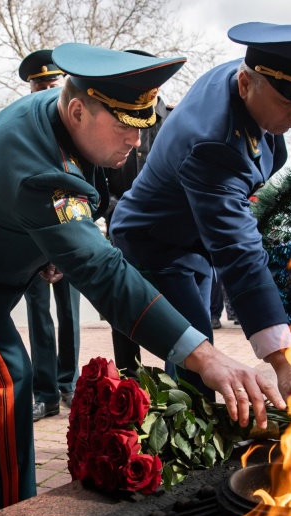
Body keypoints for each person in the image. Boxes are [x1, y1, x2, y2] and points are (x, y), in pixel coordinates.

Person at [0, 43, 290, 513]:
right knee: (8, 376)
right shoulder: (41, 170)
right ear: (79, 109)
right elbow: (104, 272)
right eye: (125, 125)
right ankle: (12, 511)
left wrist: (49, 242)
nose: (137, 140)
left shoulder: (61, 109)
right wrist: (204, 358)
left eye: (142, 125)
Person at [110, 22, 291, 401]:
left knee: (192, 343)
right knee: (198, 352)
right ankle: (190, 441)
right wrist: (283, 361)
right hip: (154, 241)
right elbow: (237, 250)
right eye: (287, 103)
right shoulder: (212, 144)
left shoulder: (257, 71)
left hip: (194, 239)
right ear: (246, 84)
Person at [18, 49, 82, 421]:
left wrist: (64, 246)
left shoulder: (78, 129)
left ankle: (68, 382)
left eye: (52, 85)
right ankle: (45, 392)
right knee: (39, 317)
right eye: (39, 86)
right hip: (32, 244)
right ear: (31, 90)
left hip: (70, 240)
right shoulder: (22, 130)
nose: (45, 91)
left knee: (69, 317)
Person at [104, 49, 173, 378]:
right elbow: (98, 181)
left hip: (169, 238)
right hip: (122, 235)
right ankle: (130, 387)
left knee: (178, 318)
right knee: (124, 320)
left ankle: (185, 394)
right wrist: (121, 211)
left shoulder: (174, 122)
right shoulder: (109, 121)